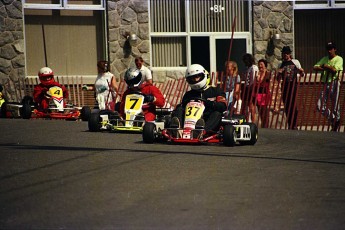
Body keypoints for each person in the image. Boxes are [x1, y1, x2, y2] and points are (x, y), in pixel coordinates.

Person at [170, 64, 227, 138]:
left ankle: (201, 132)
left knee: (217, 113)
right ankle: (177, 130)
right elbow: (183, 106)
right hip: (189, 120)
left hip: (207, 118)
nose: (195, 80)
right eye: (192, 78)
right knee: (179, 109)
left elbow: (223, 106)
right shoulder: (189, 94)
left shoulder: (216, 91)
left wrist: (209, 103)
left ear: (204, 75)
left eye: (197, 77)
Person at [313, 41, 343, 131]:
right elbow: (315, 67)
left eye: (331, 49)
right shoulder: (325, 58)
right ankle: (333, 119)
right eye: (328, 49)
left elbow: (334, 70)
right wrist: (325, 66)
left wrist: (325, 66)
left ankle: (335, 125)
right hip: (326, 83)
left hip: (334, 82)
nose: (329, 51)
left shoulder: (339, 59)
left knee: (335, 106)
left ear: (335, 49)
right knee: (319, 105)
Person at [277, 46, 304, 130]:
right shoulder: (280, 64)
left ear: (289, 54)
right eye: (284, 53)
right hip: (284, 87)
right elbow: (277, 79)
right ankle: (290, 124)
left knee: (293, 105)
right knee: (287, 105)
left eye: (287, 53)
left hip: (293, 86)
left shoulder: (295, 62)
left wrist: (301, 71)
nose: (285, 55)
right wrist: (279, 73)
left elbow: (302, 74)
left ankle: (294, 124)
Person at [241, 53, 259, 123]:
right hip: (247, 88)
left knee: (251, 106)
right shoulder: (248, 68)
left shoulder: (254, 67)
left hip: (251, 88)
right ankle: (246, 120)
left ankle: (253, 122)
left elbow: (253, 78)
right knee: (245, 106)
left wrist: (251, 87)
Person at [256, 59, 271, 128]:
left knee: (264, 110)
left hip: (264, 93)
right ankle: (263, 123)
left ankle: (266, 125)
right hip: (258, 93)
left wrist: (262, 75)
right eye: (259, 64)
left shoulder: (267, 73)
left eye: (261, 64)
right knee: (260, 110)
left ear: (265, 65)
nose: (260, 66)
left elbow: (262, 81)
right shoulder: (258, 73)